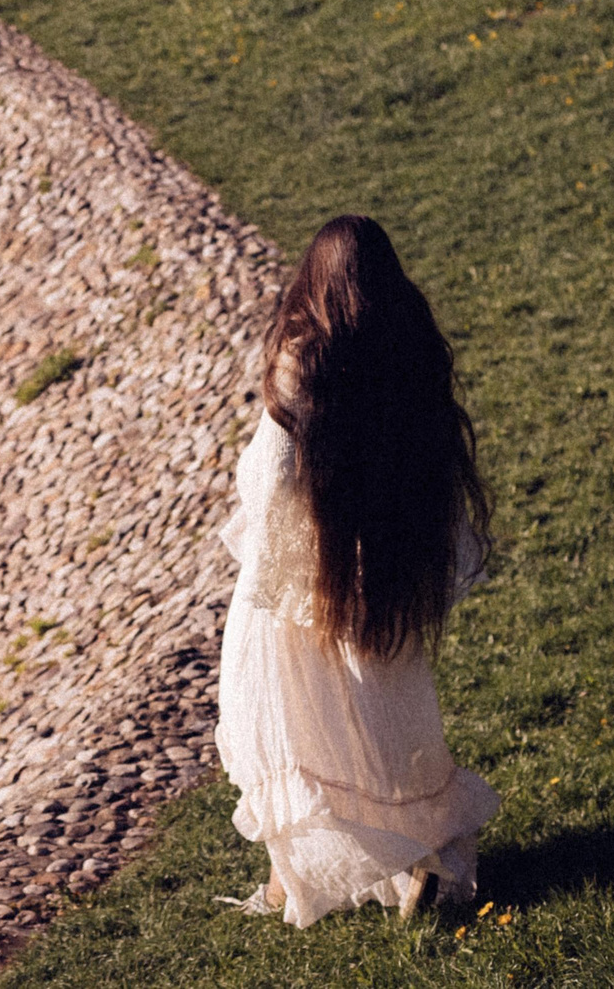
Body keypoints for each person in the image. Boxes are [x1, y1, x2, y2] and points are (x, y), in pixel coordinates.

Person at [215, 214, 500, 925]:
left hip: (301, 584)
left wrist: (273, 540)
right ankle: (419, 862)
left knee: (277, 730)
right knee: (385, 725)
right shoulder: (406, 352)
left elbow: (271, 475)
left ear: (313, 281)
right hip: (377, 575)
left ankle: (294, 884)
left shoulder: (302, 357)